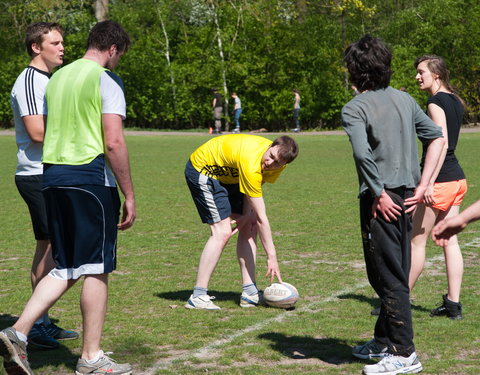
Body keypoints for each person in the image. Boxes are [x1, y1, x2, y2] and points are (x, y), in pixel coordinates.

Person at [0, 20, 135, 375]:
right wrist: (130, 194)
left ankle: (18, 331)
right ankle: (91, 357)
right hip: (89, 178)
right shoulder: (106, 79)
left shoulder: (56, 78)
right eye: (120, 56)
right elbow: (114, 142)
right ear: (113, 49)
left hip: (51, 177)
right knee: (97, 268)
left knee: (67, 265)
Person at [342, 35, 445, 375]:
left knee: (388, 276)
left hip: (381, 200)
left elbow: (361, 153)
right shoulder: (404, 99)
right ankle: (384, 339)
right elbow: (436, 137)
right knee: (393, 269)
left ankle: (403, 353)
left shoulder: (354, 107)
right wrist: (425, 183)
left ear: (355, 72)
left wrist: (379, 193)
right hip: (408, 196)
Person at [10, 22, 79, 350]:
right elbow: (37, 132)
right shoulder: (28, 81)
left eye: (62, 41)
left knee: (47, 247)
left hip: (48, 173)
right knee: (53, 249)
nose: (62, 47)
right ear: (37, 47)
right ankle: (34, 325)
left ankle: (41, 322)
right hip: (36, 175)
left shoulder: (45, 81)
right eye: (55, 42)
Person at [184, 134, 298, 310]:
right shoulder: (251, 160)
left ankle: (250, 293)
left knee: (250, 226)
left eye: (277, 163)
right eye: (271, 156)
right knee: (222, 232)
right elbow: (262, 217)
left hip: (233, 174)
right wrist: (272, 257)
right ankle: (198, 296)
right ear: (270, 146)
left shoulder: (278, 164)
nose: (270, 163)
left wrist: (246, 215)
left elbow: (255, 187)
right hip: (204, 169)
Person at [409, 55, 467, 320]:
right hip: (457, 179)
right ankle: (453, 305)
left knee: (416, 243)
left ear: (437, 75)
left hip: (441, 181)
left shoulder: (434, 102)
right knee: (449, 241)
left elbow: (440, 142)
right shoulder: (455, 100)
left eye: (422, 72)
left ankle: (397, 302)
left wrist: (428, 183)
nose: (418, 77)